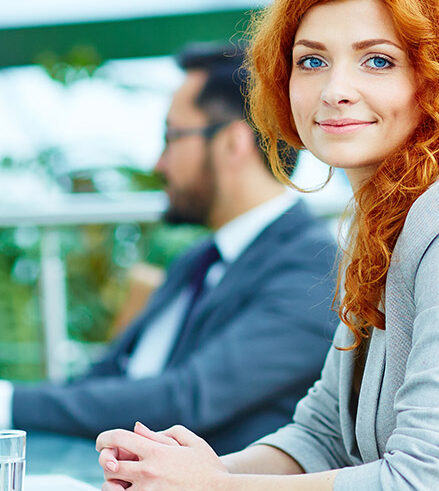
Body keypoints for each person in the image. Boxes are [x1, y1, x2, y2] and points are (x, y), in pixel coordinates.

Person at [95, 0, 439, 491]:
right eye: (312, 61)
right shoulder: (383, 220)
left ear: (438, 79)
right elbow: (321, 435)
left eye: (378, 60)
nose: (334, 89)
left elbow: (424, 484)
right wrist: (182, 476)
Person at [0, 43, 339, 455]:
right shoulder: (198, 261)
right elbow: (107, 375)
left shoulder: (313, 269)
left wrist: (9, 403)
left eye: (172, 137)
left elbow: (186, 400)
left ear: (232, 143)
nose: (158, 164)